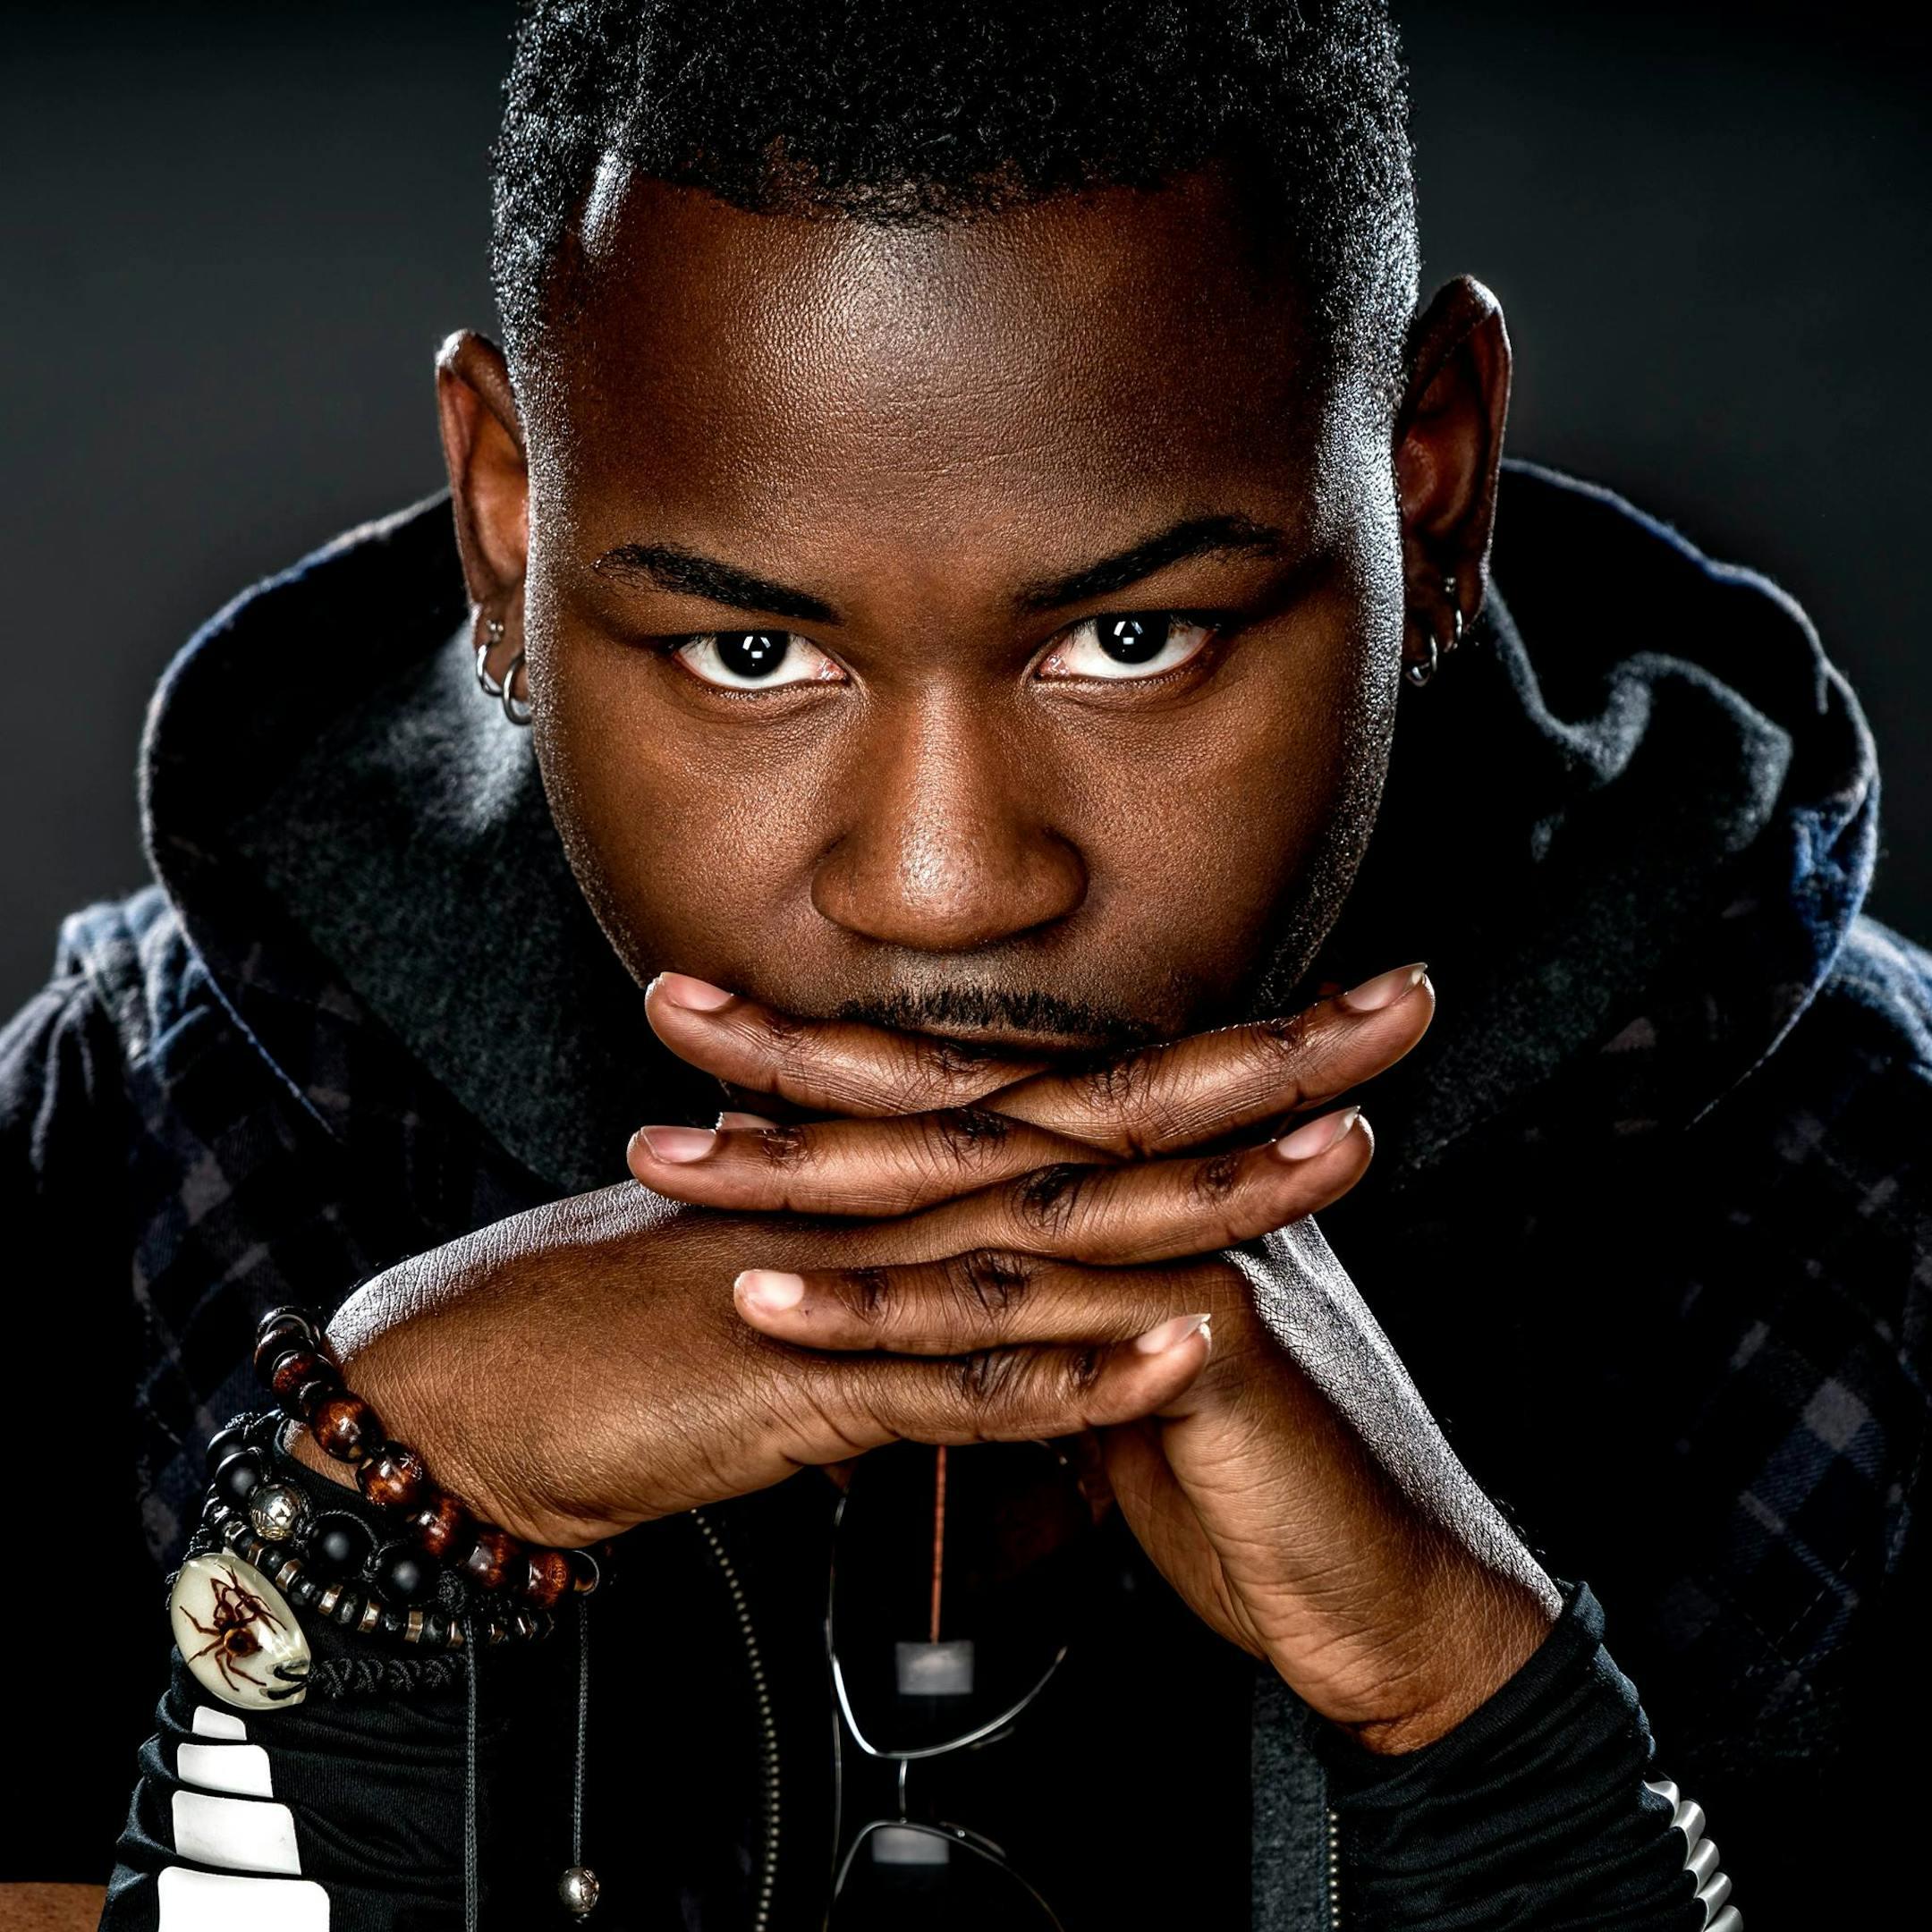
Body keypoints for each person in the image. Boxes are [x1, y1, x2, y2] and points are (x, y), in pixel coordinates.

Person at [3, 0, 1923, 1926]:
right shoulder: (134, 1154)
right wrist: (362, 1540)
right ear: (508, 524)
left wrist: (1483, 1722)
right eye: (752, 658)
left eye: (1135, 641)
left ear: (1430, 479)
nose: (944, 886)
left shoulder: (1878, 1203)